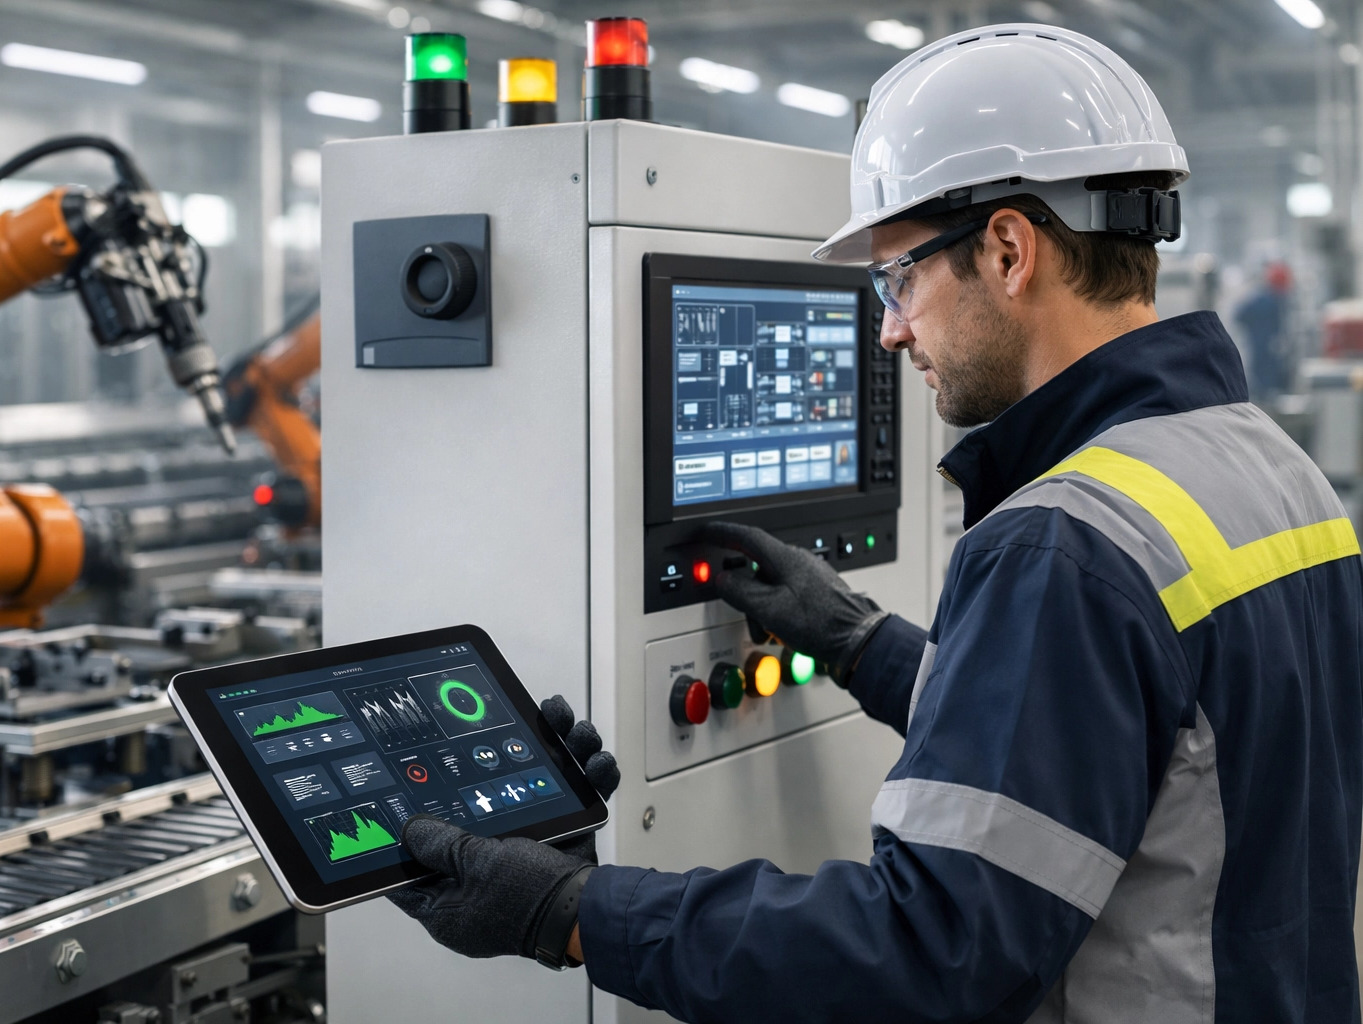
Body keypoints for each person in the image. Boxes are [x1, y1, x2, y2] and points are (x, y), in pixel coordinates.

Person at [389, 23, 1363, 1022]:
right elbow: (1139, 748)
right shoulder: (1268, 467)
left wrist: (571, 910)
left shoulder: (1066, 542)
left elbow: (931, 948)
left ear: (1010, 249)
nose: (892, 327)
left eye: (899, 277)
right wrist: (865, 645)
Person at [1236, 261, 1293, 401]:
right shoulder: (1266, 302)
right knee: (1264, 378)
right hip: (1263, 348)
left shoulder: (1272, 301)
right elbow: (1240, 316)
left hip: (1265, 348)